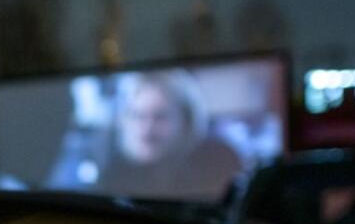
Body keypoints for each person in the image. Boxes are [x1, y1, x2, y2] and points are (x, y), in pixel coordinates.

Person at [45, 70, 244, 201]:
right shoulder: (108, 173)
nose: (146, 129)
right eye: (137, 116)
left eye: (160, 117)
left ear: (185, 122)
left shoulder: (218, 160)